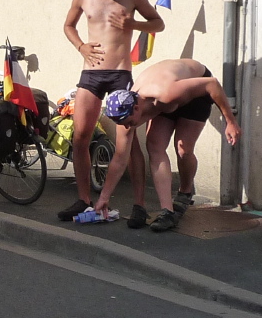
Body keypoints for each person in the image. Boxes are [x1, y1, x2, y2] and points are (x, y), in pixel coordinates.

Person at [59, 0, 164, 223]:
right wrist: (81, 46)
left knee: (128, 143)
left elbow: (158, 23)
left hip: (120, 73)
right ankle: (84, 199)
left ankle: (138, 205)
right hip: (91, 72)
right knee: (80, 137)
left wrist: (134, 24)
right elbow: (68, 25)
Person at [94, 58, 241, 232]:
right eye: (122, 124)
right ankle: (167, 211)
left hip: (195, 92)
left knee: (183, 149)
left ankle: (185, 192)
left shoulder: (165, 92)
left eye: (129, 122)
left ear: (136, 108)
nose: (127, 127)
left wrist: (230, 121)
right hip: (166, 101)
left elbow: (212, 84)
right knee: (154, 146)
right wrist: (104, 197)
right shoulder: (126, 116)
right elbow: (120, 159)